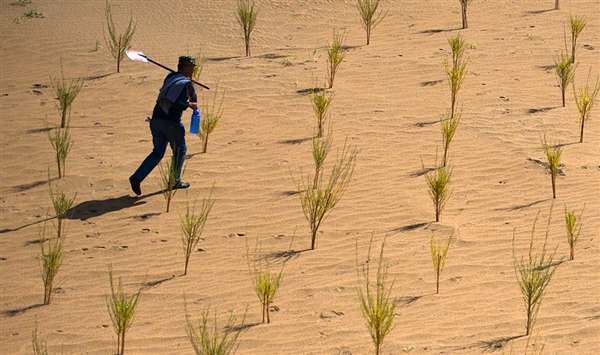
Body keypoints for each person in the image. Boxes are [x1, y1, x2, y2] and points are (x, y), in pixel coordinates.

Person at [129, 56, 198, 196]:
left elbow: (184, 94)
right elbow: (179, 102)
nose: (193, 70)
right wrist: (189, 104)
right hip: (171, 123)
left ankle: (137, 177)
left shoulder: (171, 77)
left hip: (156, 121)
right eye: (191, 67)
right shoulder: (185, 83)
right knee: (180, 151)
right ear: (184, 67)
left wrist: (190, 89)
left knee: (158, 152)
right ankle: (175, 181)